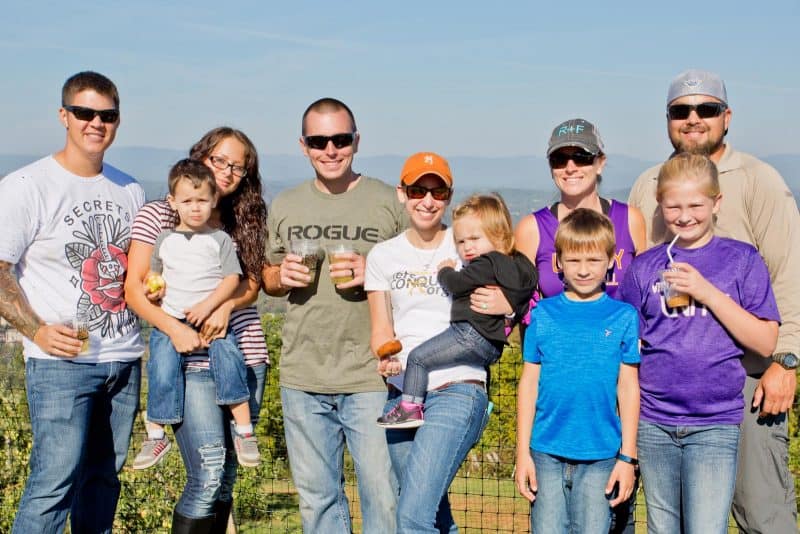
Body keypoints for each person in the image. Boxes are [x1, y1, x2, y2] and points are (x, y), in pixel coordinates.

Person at [628, 69, 800, 533]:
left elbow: (790, 275)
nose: (693, 119)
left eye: (706, 109)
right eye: (681, 111)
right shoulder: (649, 184)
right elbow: (640, 279)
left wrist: (786, 361)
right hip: (669, 390)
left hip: (749, 374)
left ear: (726, 117)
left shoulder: (759, 180)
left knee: (760, 507)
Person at [0, 71, 144, 533]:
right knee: (52, 486)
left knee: (103, 482)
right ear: (64, 116)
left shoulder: (130, 189)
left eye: (107, 115)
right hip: (61, 362)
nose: (95, 122)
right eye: (84, 112)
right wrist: (36, 330)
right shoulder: (27, 186)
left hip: (123, 359)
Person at [262, 98, 405, 533]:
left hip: (371, 375)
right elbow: (267, 277)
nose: (330, 150)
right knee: (318, 501)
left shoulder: (388, 201)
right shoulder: (286, 204)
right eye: (319, 141)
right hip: (303, 374)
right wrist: (280, 274)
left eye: (340, 139)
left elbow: (419, 275)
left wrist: (376, 273)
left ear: (356, 142)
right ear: (303, 146)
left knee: (383, 495)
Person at [125, 127, 269, 531]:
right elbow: (136, 289)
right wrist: (175, 330)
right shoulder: (159, 215)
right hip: (190, 355)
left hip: (246, 354)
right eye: (219, 160)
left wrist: (225, 305)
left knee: (225, 482)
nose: (227, 171)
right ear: (199, 158)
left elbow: (251, 285)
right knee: (206, 474)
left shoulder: (242, 221)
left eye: (238, 167)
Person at [514, 117, 646, 532]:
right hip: (555, 418)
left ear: (600, 162)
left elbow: (647, 295)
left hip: (609, 415)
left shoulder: (631, 220)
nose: (570, 166)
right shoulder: (533, 227)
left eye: (581, 156)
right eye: (560, 158)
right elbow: (515, 298)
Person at [366, 151, 500, 533]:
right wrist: (384, 355)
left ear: (449, 196)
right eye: (417, 190)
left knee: (412, 517)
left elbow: (511, 281)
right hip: (403, 393)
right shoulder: (383, 255)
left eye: (437, 191)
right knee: (433, 513)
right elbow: (381, 330)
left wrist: (506, 302)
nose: (427, 200)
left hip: (458, 389)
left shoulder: (465, 246)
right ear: (401, 193)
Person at [133, 158, 259, 471]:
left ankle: (244, 430)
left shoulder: (220, 240)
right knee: (161, 367)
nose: (195, 208)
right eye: (187, 201)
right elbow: (154, 275)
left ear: (214, 200)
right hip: (173, 318)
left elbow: (232, 278)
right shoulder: (164, 239)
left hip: (211, 317)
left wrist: (210, 307)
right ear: (173, 202)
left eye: (202, 200)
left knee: (230, 361)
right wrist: (153, 288)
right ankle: (155, 434)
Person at [377, 193, 536, 429]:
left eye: (474, 239)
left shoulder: (485, 263)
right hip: (492, 344)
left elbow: (457, 284)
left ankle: (410, 407)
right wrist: (513, 303)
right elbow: (530, 281)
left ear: (498, 236)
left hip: (468, 333)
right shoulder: (516, 263)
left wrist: (445, 271)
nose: (468, 247)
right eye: (461, 242)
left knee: (418, 358)